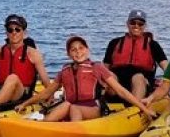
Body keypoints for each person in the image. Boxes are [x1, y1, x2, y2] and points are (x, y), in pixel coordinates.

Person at [15, 35, 157, 122]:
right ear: (69, 53)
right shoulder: (65, 71)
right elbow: (46, 93)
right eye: (73, 50)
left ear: (87, 49)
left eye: (81, 48)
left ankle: (72, 136)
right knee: (63, 107)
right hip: (71, 106)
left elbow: (121, 91)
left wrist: (144, 109)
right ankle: (45, 128)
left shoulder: (97, 67)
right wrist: (25, 104)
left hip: (93, 107)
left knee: (73, 108)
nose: (78, 52)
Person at [103, 8, 168, 99]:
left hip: (141, 81)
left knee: (138, 77)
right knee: (109, 75)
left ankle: (136, 107)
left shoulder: (152, 44)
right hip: (117, 85)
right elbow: (105, 67)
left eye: (140, 24)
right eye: (133, 22)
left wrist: (167, 82)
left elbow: (166, 66)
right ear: (127, 24)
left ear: (145, 26)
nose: (136, 26)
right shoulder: (114, 43)